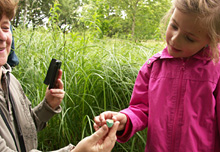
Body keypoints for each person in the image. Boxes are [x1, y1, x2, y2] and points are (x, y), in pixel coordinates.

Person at [94, 0, 220, 151]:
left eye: (189, 38)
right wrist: (125, 120)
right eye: (174, 26)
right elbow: (140, 108)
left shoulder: (215, 70)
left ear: (213, 39)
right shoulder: (153, 66)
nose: (174, 39)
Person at [0, 0, 119, 152]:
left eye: (5, 27)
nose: (2, 37)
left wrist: (48, 106)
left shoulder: (10, 80)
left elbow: (25, 130)